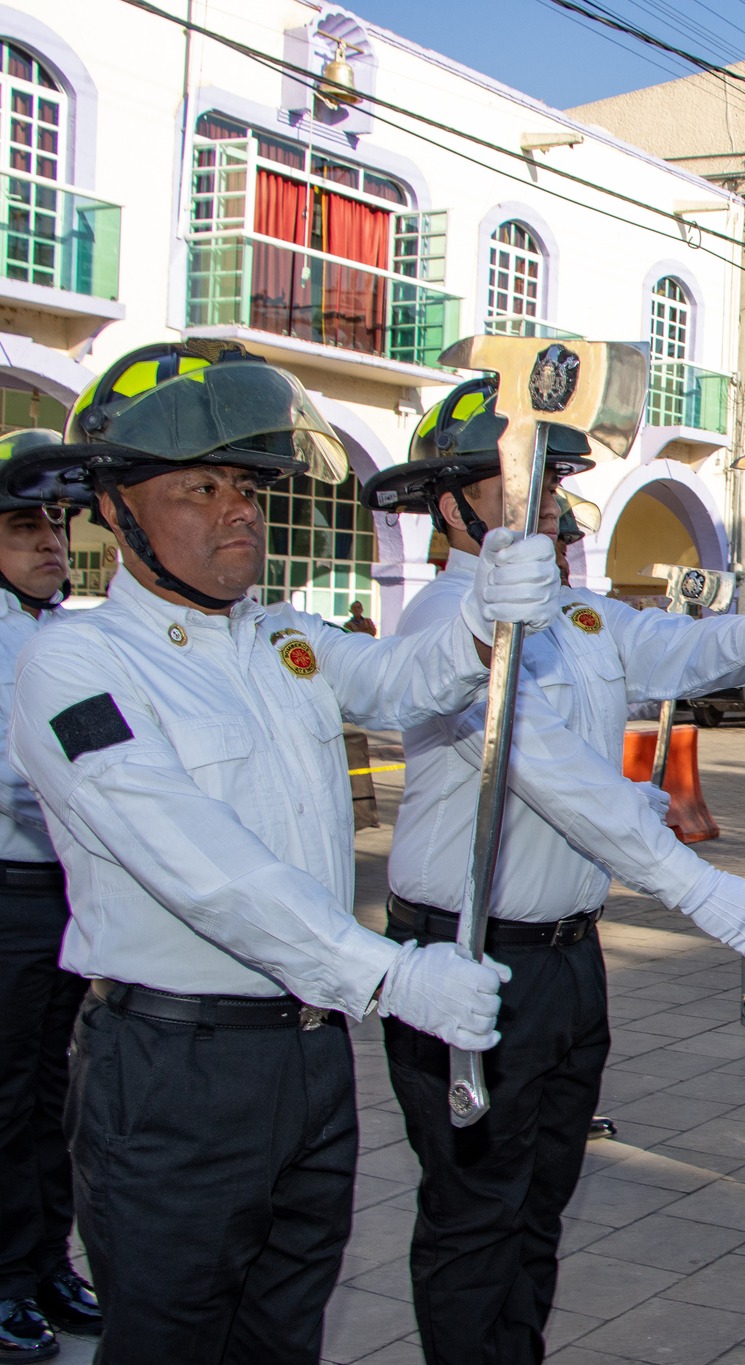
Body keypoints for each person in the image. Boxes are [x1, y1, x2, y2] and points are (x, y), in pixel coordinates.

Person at [2, 342, 548, 1365]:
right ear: (115, 512)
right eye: (198, 487)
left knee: (284, 1334)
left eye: (247, 486)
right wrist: (386, 973)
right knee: (170, 1342)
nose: (237, 510)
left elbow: (400, 683)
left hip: (305, 1057)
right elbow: (196, 862)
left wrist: (482, 615)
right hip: (173, 1069)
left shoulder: (279, 638)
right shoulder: (72, 662)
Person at [358, 376, 745, 1365]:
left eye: (556, 483)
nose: (552, 506)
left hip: (566, 962)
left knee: (538, 1208)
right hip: (467, 958)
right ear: (449, 505)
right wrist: (690, 883)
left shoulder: (574, 612)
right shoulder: (444, 619)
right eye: (520, 484)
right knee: (474, 1217)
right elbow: (547, 771)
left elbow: (668, 646)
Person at [0, 431, 98, 1361]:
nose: (49, 543)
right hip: (10, 892)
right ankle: (5, 1276)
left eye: (56, 527)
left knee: (49, 1096)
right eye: (24, 526)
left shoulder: (63, 631)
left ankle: (46, 1263)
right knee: (6, 1095)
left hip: (64, 892)